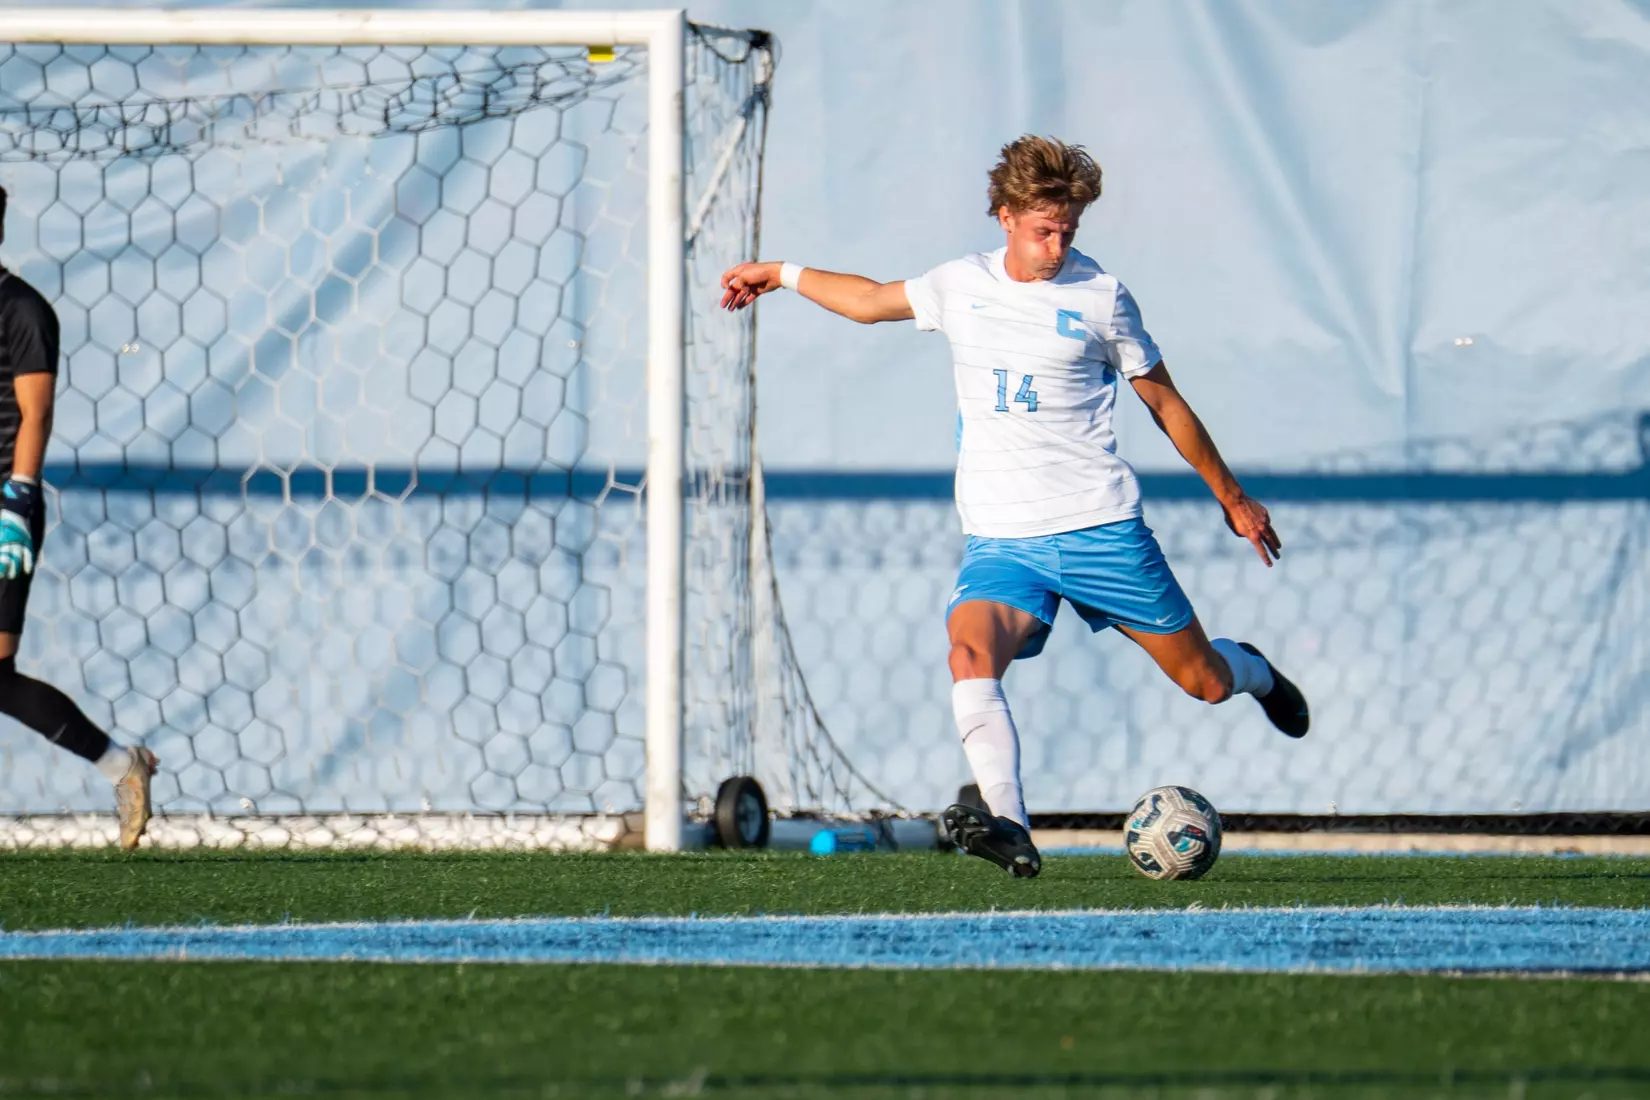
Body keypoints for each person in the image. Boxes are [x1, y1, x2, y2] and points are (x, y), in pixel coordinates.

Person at [718, 136, 1308, 877]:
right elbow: (869, 303)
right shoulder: (960, 284)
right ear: (1004, 216)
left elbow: (1164, 401)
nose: (1057, 245)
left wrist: (1234, 498)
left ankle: (1254, 669)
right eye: (1043, 230)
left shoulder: (1102, 298)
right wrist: (780, 272)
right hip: (1002, 540)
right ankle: (1011, 825)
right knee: (969, 653)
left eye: (1068, 230)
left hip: (1099, 529)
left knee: (1206, 684)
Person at [0, 185, 158, 851]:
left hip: (4, 505)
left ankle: (123, 767)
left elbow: (36, 414)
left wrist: (17, 503)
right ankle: (124, 765)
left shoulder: (23, 309)